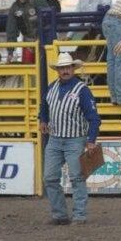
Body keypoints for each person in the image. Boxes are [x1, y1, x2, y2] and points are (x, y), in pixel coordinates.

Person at [39, 52, 101, 224]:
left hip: (75, 139)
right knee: (49, 177)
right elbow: (44, 105)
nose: (65, 70)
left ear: (73, 69)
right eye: (62, 68)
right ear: (58, 70)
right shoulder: (51, 88)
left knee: (77, 177)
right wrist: (43, 119)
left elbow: (94, 118)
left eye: (67, 67)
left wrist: (90, 140)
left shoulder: (83, 90)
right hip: (55, 138)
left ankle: (79, 215)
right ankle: (60, 215)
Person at [5, 0, 49, 64]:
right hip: (28, 42)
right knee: (28, 69)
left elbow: (48, 19)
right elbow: (11, 30)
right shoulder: (14, 8)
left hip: (44, 41)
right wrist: (10, 51)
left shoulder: (37, 0)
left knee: (45, 68)